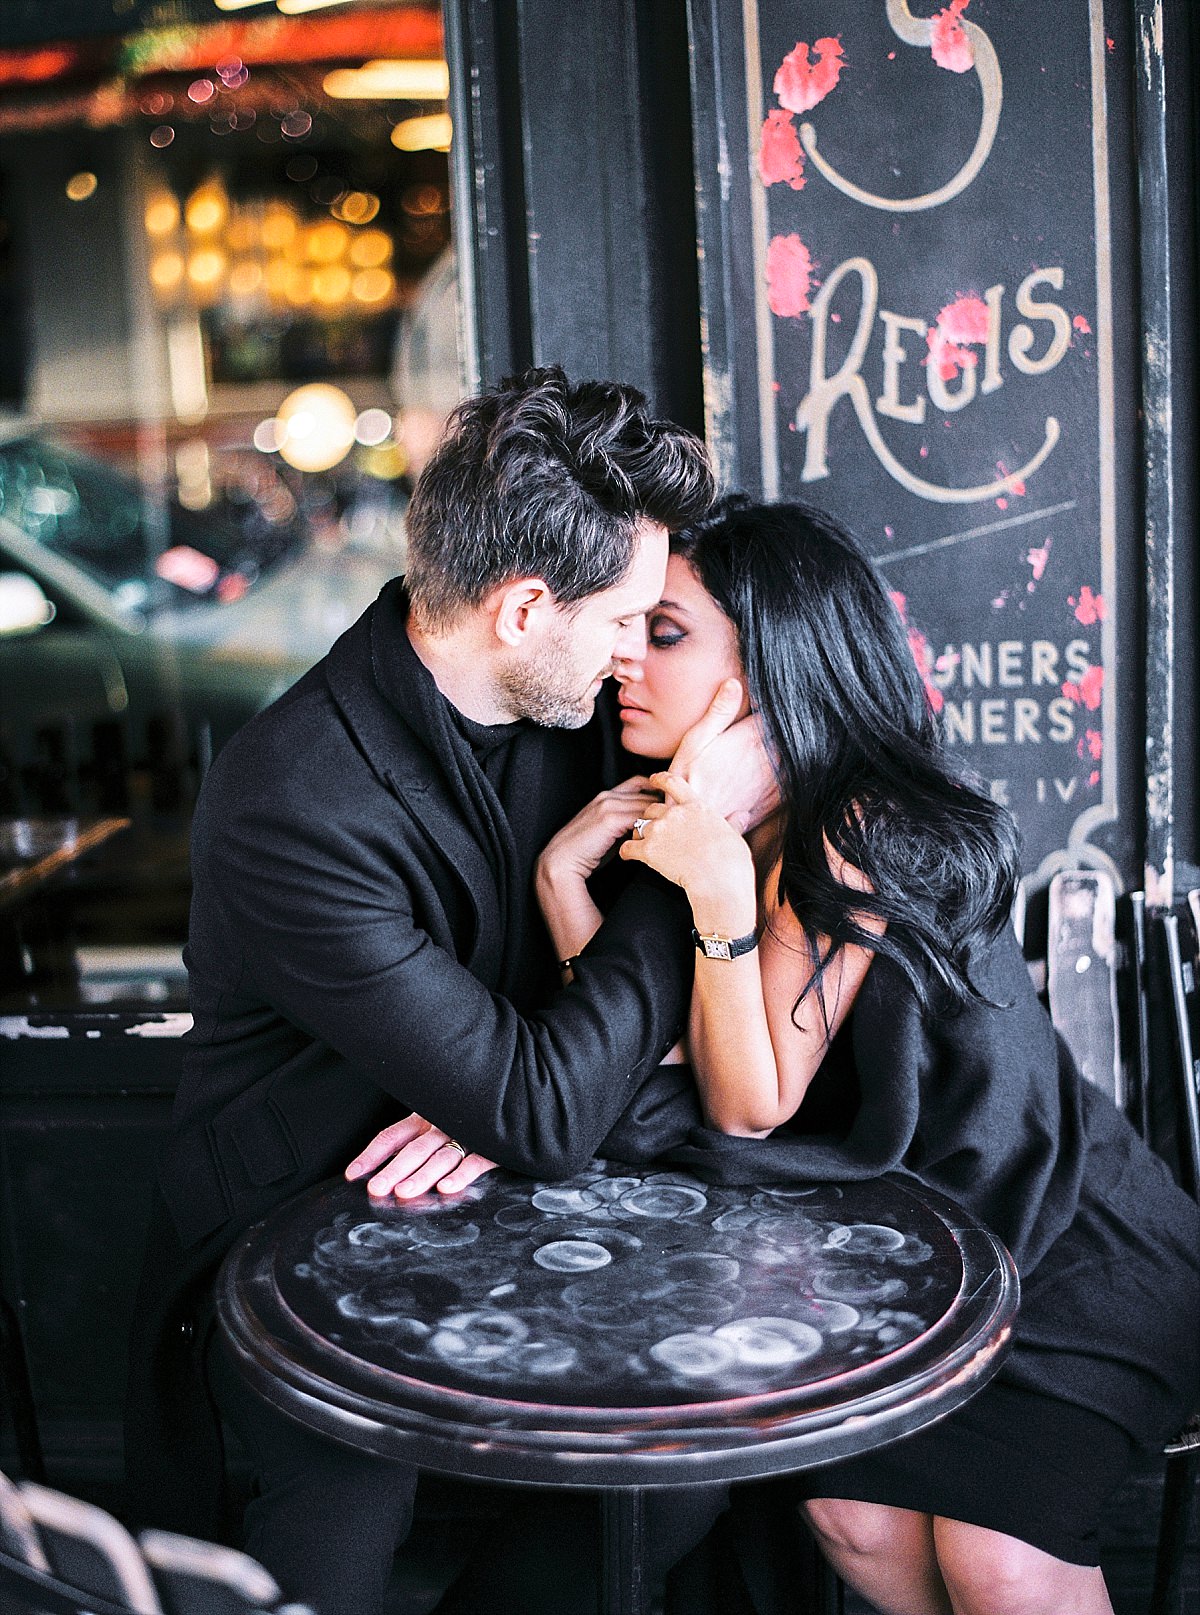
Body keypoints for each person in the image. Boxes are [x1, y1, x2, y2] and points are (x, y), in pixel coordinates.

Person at [124, 367, 775, 1615]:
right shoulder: (293, 801)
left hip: (510, 1210)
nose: (642, 650)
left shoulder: (574, 697)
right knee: (333, 1539)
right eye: (630, 617)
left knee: (671, 1481)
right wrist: (689, 853)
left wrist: (506, 1088)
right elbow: (540, 1107)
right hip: (292, 1239)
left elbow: (529, 1105)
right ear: (525, 607)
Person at [534, 495, 1200, 1615]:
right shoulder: (726, 819)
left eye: (666, 632)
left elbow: (747, 1103)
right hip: (905, 1249)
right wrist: (562, 881)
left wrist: (711, 885)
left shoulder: (858, 825)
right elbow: (645, 1066)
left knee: (993, 1560)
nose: (623, 665)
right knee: (852, 1518)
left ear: (770, 665)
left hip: (1065, 1241)